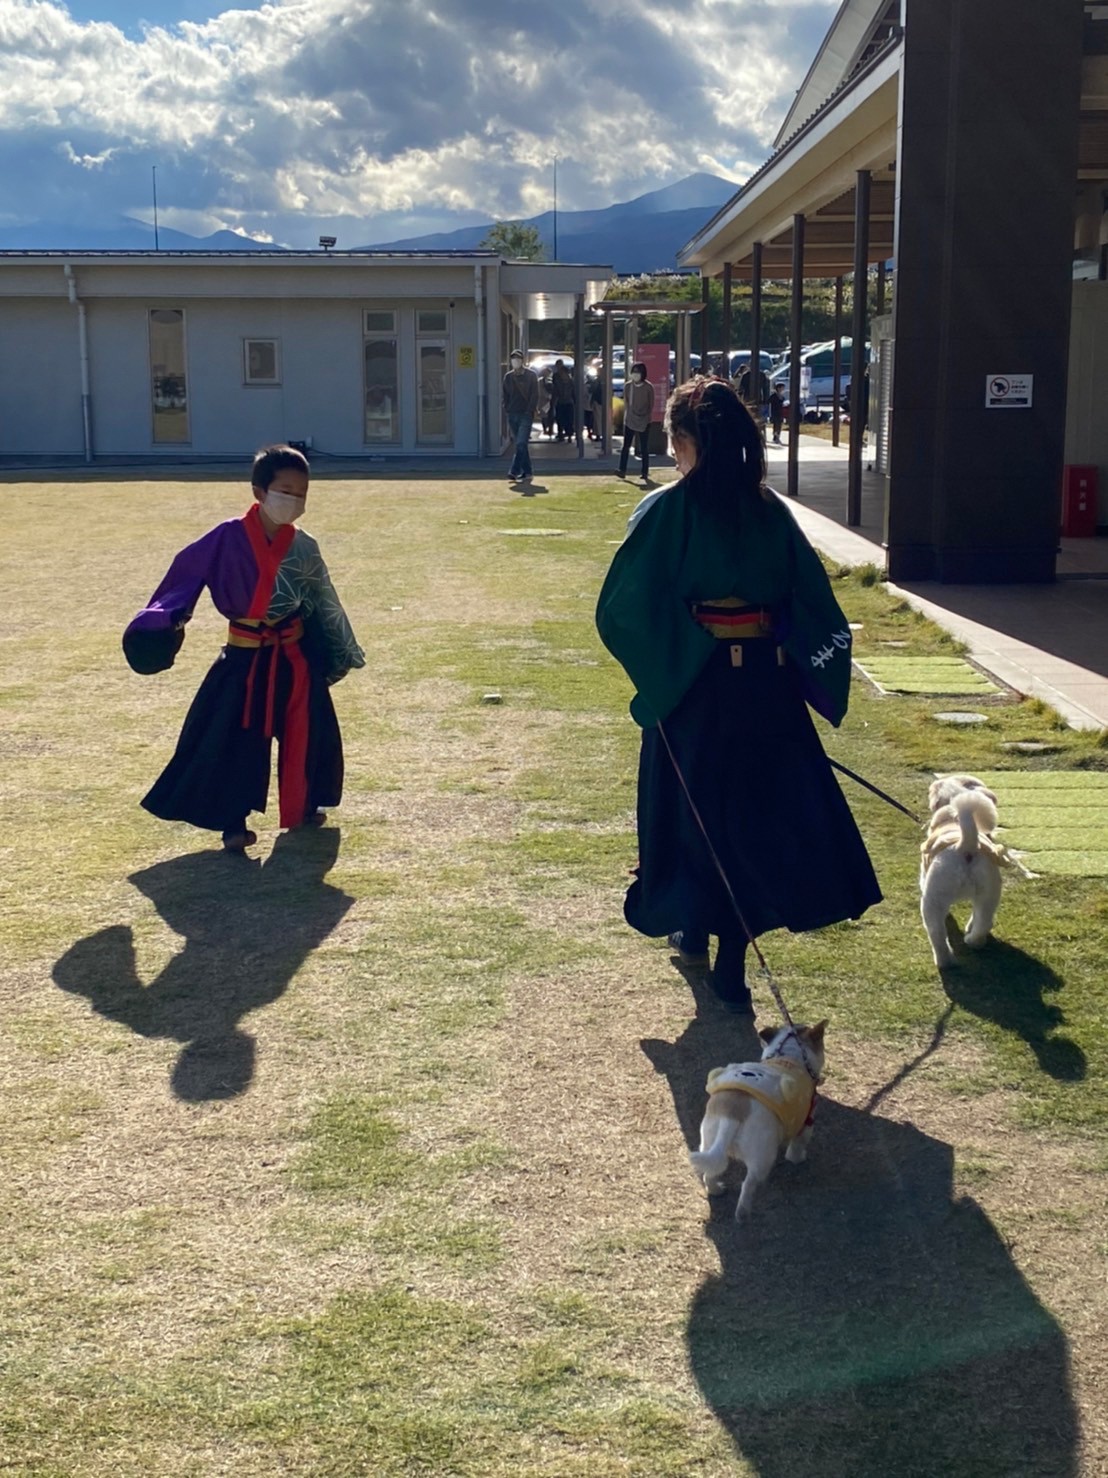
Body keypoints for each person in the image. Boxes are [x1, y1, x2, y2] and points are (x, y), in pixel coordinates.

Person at [596, 377, 880, 1014]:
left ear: (687, 440)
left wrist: (676, 661)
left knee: (693, 817)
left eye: (675, 441)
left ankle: (697, 932)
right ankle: (728, 961)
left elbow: (623, 609)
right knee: (753, 822)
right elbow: (810, 601)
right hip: (765, 690)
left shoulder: (670, 509)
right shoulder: (769, 511)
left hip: (694, 688)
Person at [123, 444, 365, 853]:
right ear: (259, 491)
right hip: (243, 656)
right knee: (230, 739)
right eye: (285, 491)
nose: (294, 500)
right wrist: (162, 623)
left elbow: (323, 599)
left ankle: (305, 805)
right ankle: (232, 823)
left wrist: (338, 650)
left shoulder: (304, 546)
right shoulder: (225, 538)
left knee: (309, 731)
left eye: (302, 493)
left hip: (293, 654)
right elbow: (183, 578)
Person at [502, 350, 539, 484]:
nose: (515, 361)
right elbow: (505, 395)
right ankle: (528, 472)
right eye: (513, 358)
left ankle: (514, 470)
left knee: (521, 443)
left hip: (525, 414)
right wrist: (506, 408)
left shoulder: (531, 376)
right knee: (520, 445)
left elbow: (535, 395)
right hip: (512, 413)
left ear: (522, 360)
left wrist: (529, 410)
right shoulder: (508, 377)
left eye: (517, 358)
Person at [618, 361, 654, 482]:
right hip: (630, 420)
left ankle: (644, 472)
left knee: (644, 447)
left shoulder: (648, 387)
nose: (635, 374)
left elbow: (650, 404)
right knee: (626, 446)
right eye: (633, 371)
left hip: (644, 420)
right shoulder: (628, 386)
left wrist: (644, 415)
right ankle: (622, 469)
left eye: (638, 372)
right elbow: (626, 402)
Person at [550, 359, 576, 441]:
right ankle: (560, 433)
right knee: (560, 418)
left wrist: (575, 401)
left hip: (568, 402)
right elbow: (555, 392)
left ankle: (569, 434)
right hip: (560, 402)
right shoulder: (557, 380)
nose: (562, 375)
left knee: (569, 419)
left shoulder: (571, 382)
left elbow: (574, 393)